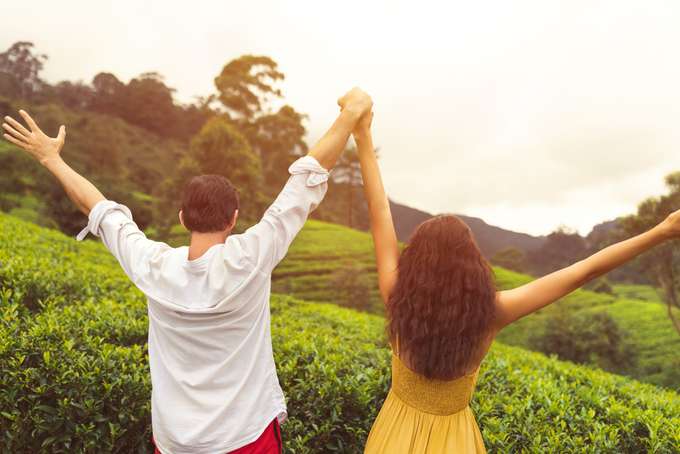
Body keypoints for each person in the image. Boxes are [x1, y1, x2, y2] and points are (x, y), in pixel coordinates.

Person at [1, 86, 373, 454]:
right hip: (244, 437)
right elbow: (303, 182)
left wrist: (51, 158)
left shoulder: (153, 265)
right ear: (233, 219)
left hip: (175, 441)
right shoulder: (250, 258)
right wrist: (350, 113)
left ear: (182, 218)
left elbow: (98, 208)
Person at [350, 110, 680, 453]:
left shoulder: (396, 295)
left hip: (392, 437)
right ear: (472, 265)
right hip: (456, 443)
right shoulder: (491, 311)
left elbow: (380, 212)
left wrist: (363, 135)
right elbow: (584, 271)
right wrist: (662, 231)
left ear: (416, 262)